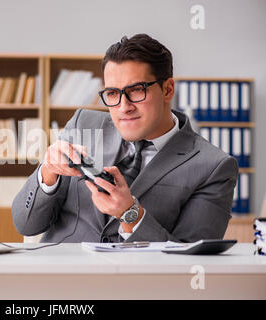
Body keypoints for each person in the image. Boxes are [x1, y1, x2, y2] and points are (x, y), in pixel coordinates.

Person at [12, 34, 238, 243]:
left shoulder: (213, 166)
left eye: (137, 90)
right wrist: (47, 174)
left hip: (137, 284)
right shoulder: (84, 124)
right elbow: (25, 224)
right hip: (58, 278)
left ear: (168, 89)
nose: (123, 107)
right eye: (112, 93)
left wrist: (131, 215)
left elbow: (188, 262)